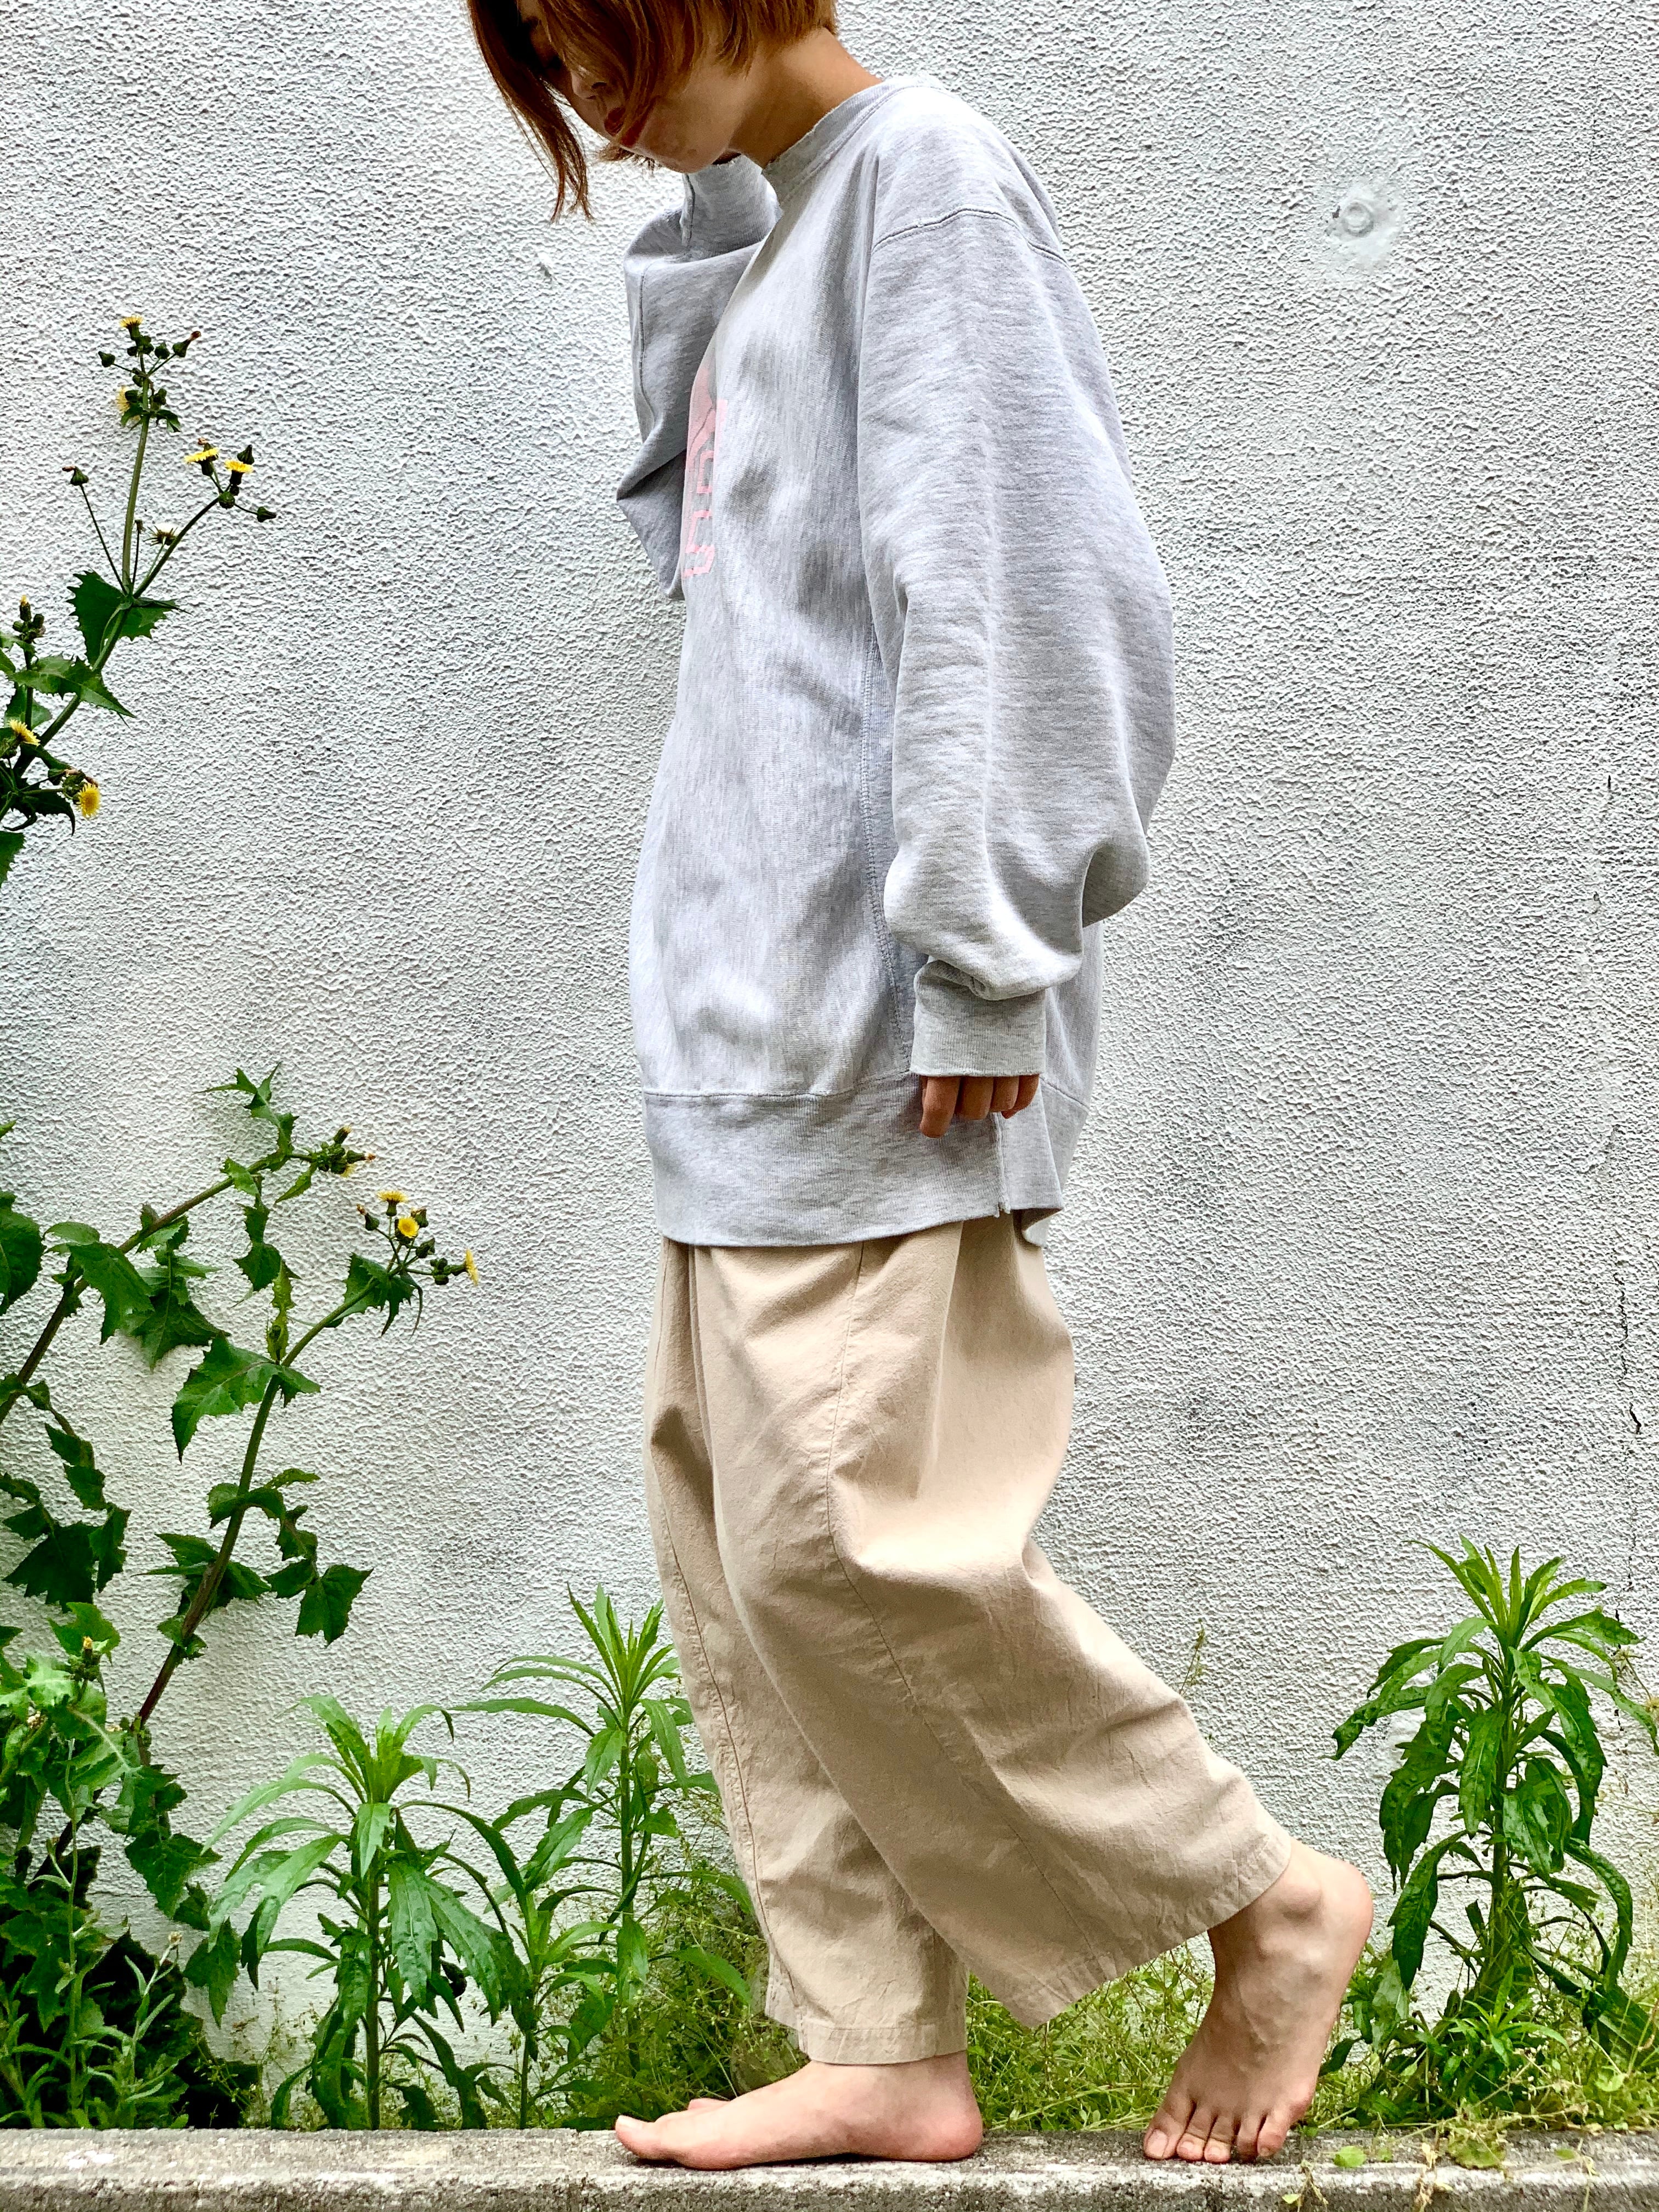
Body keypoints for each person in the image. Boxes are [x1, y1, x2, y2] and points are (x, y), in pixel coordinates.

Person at [467, 0, 1373, 2171]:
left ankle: (1261, 1895)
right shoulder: (783, 230)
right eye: (547, 57)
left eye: (598, 29)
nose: (589, 92)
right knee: (743, 1552)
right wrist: (716, 224)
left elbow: (1024, 592)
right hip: (741, 1020)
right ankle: (880, 2038)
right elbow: (725, 583)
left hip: (889, 1023)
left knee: (854, 1545)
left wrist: (982, 965)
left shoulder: (929, 184)